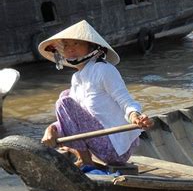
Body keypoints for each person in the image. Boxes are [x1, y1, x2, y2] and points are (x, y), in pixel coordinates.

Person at [40, 20, 154, 167]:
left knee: (64, 102)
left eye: (76, 44)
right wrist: (51, 129)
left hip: (114, 148)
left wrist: (136, 117)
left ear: (91, 46)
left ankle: (86, 161)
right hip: (98, 143)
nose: (70, 49)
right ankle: (81, 155)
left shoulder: (103, 70)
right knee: (65, 96)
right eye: (66, 45)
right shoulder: (77, 78)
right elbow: (70, 119)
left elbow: (126, 101)